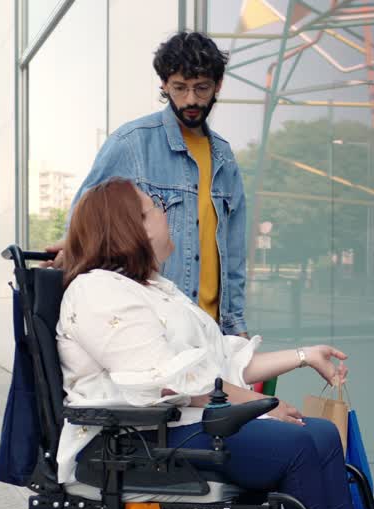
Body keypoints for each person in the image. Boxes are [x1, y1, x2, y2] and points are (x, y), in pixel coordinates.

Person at [56, 178, 374, 509]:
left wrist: (303, 356)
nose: (165, 211)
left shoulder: (155, 289)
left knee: (322, 433)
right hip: (137, 440)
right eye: (153, 206)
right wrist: (264, 406)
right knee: (296, 447)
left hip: (180, 427)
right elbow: (166, 379)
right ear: (129, 225)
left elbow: (222, 362)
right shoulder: (99, 290)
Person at [52, 32, 250, 338]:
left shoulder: (224, 157)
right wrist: (73, 249)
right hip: (157, 327)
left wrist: (235, 327)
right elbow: (85, 218)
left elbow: (234, 255)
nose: (191, 100)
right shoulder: (131, 144)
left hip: (213, 332)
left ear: (218, 85)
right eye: (179, 88)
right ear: (164, 85)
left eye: (202, 88)